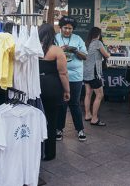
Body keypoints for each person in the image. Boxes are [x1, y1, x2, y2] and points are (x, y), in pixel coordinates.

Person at [38, 24, 70, 161]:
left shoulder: (32, 48)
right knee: (51, 121)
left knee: (35, 120)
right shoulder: (57, 50)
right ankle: (49, 153)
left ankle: (36, 151)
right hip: (52, 88)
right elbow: (63, 73)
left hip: (35, 86)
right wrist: (67, 90)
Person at [55, 16, 88, 142]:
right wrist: (61, 49)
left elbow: (85, 56)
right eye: (65, 28)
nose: (68, 30)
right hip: (60, 76)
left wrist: (75, 50)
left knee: (74, 104)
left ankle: (80, 129)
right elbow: (49, 53)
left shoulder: (78, 39)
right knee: (61, 104)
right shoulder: (56, 38)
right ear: (61, 27)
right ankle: (59, 129)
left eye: (70, 28)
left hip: (75, 77)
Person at [83, 27, 110, 126]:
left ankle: (87, 115)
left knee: (88, 94)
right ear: (98, 34)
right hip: (94, 72)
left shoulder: (87, 43)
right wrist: (108, 53)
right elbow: (106, 55)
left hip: (85, 71)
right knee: (99, 95)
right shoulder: (98, 43)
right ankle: (94, 118)